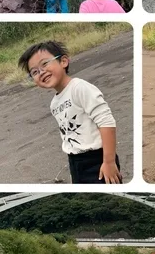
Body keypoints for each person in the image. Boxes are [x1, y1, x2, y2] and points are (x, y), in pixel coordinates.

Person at [18, 41, 122, 184]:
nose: (41, 72)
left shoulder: (79, 88)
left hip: (97, 159)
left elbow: (106, 122)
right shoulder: (54, 104)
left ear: (64, 61)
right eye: (34, 72)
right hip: (75, 162)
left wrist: (109, 162)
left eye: (45, 64)